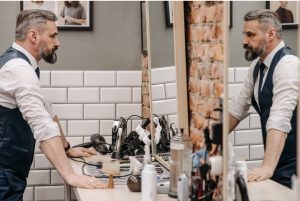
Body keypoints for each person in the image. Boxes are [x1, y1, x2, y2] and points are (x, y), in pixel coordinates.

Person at [0, 9, 105, 200]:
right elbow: (41, 123)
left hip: (8, 172)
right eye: (53, 35)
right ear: (33, 36)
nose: (57, 42)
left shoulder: (21, 65)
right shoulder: (19, 68)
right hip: (3, 174)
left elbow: (46, 110)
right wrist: (70, 175)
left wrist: (66, 148)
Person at [229, 9, 299, 188]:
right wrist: (209, 141)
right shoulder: (257, 67)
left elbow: (280, 118)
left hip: (294, 167)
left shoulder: (288, 64)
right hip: (277, 163)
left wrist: (267, 166)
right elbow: (238, 108)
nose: (244, 41)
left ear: (271, 34)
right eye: (244, 34)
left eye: (251, 35)